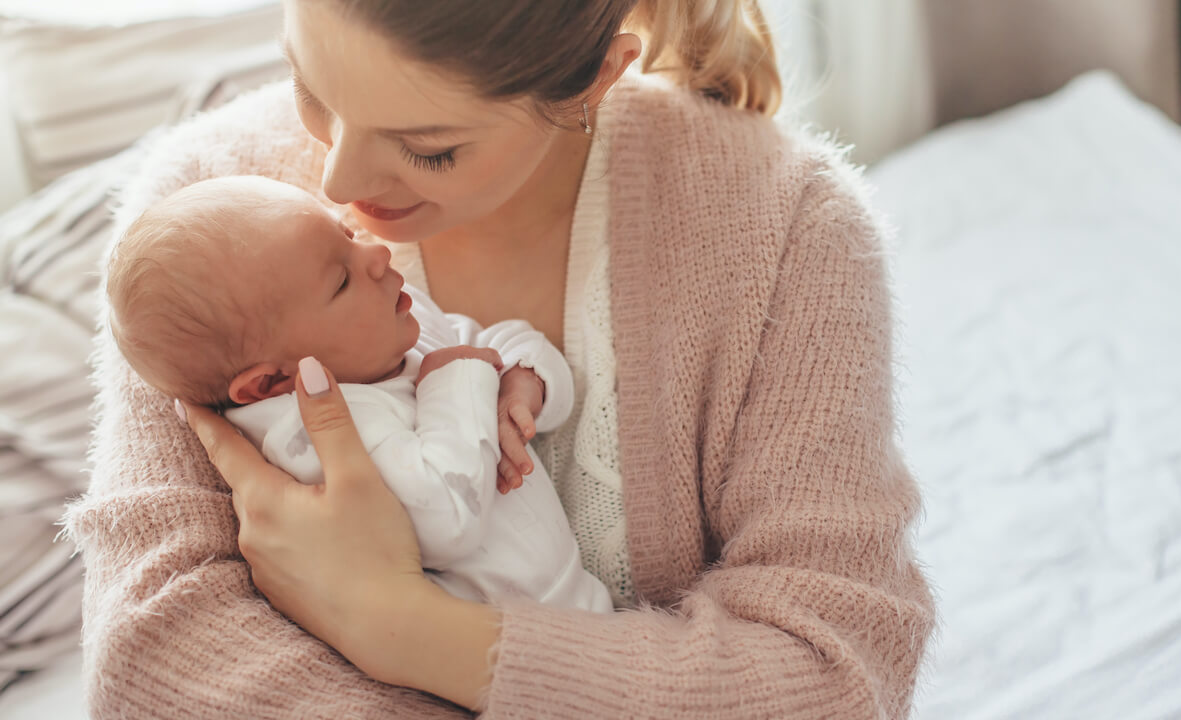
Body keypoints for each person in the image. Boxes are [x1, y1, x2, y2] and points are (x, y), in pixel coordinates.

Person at [66, 0, 937, 717]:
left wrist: (402, 628)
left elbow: (833, 675)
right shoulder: (205, 221)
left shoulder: (788, 231)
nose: (335, 181)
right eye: (309, 84)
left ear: (598, 75)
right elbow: (153, 661)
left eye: (429, 147)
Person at [104, 175, 615, 614]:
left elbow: (500, 342)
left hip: (578, 602)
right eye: (341, 280)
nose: (376, 254)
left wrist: (525, 381)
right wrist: (455, 378)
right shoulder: (311, 437)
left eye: (346, 233)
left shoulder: (395, 335)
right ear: (271, 383)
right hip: (505, 647)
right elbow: (447, 521)